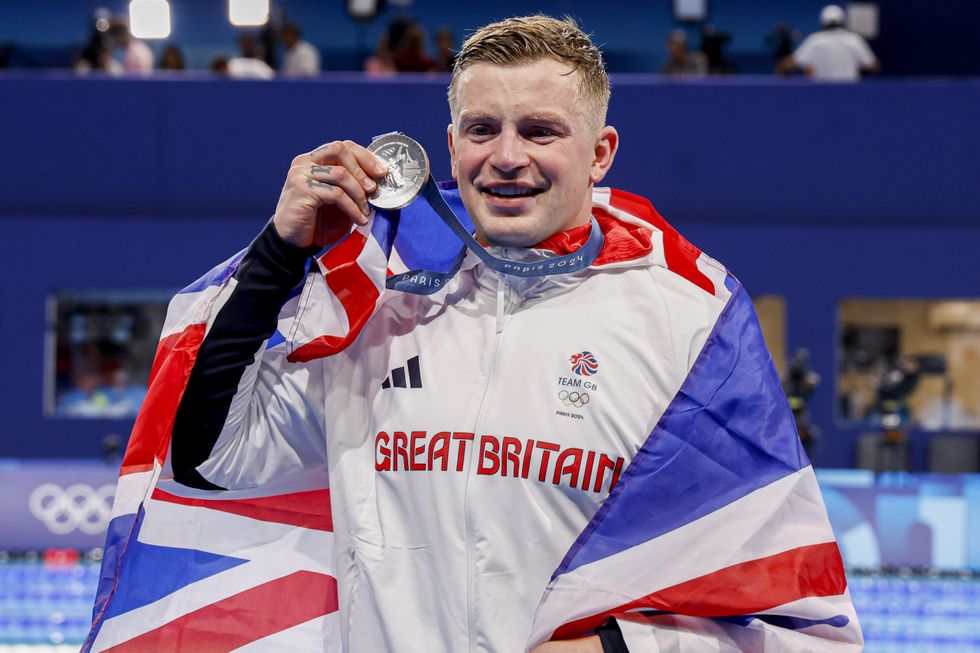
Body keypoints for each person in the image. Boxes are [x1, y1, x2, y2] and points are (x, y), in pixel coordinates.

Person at [88, 15, 861, 653]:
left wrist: (620, 650)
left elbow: (795, 623)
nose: (508, 157)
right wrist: (280, 251)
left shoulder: (687, 321)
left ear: (600, 154)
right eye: (482, 128)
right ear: (451, 144)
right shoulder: (378, 301)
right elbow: (206, 454)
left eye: (541, 130)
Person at [778, 5, 880, 81]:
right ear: (842, 22)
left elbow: (787, 64)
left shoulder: (815, 40)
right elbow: (874, 66)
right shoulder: (854, 39)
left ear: (823, 23)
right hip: (850, 94)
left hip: (823, 94)